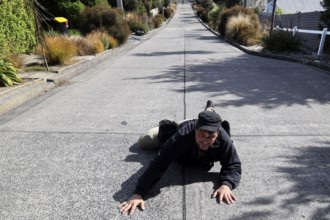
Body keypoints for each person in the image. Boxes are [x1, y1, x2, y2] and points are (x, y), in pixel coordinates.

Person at [119, 101, 242, 215]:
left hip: (201, 132)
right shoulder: (182, 136)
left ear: (217, 134)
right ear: (195, 130)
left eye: (211, 137)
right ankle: (200, 117)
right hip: (180, 127)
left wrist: (226, 184)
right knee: (143, 143)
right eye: (201, 135)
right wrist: (139, 192)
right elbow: (159, 162)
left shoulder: (224, 139)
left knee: (209, 120)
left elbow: (233, 165)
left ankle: (209, 111)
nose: (205, 141)